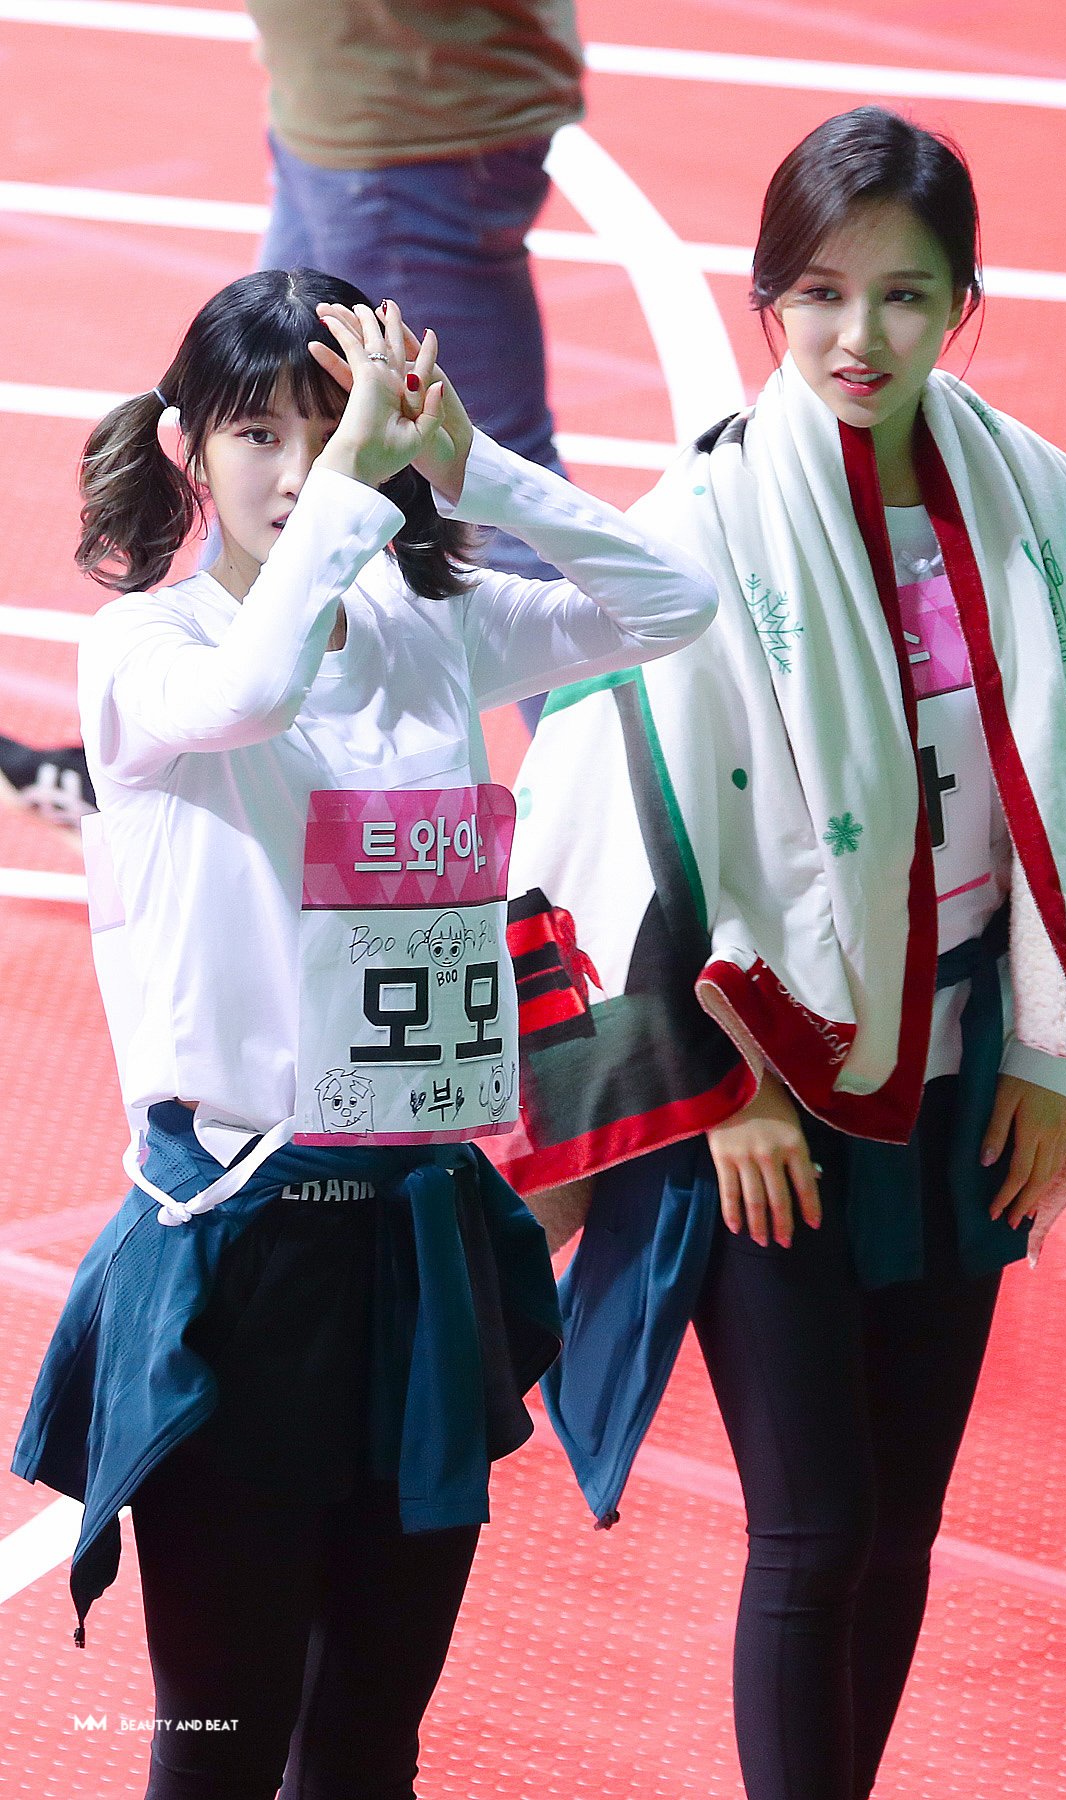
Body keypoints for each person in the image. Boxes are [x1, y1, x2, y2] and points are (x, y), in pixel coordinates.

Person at [493, 109, 1066, 1800]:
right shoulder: (694, 535)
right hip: (767, 1102)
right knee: (813, 1529)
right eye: (817, 293)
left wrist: (1050, 1056)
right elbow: (609, 820)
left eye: (903, 295)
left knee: (898, 1530)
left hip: (966, 1089)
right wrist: (722, 1087)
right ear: (767, 300)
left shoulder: (1050, 516)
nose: (857, 336)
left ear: (964, 304)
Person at [11, 266, 716, 1800]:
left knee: (369, 1744)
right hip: (239, 1244)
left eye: (330, 426)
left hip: (423, 1232)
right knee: (220, 1740)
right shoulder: (148, 651)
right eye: (259, 432)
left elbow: (677, 603)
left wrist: (474, 466)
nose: (296, 467)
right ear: (189, 447)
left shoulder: (430, 626)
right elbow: (260, 689)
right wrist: (357, 483)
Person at [246, 0, 582, 594]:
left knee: (488, 482)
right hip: (345, 115)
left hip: (403, 139)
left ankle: (587, 660)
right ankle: (224, 646)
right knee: (259, 419)